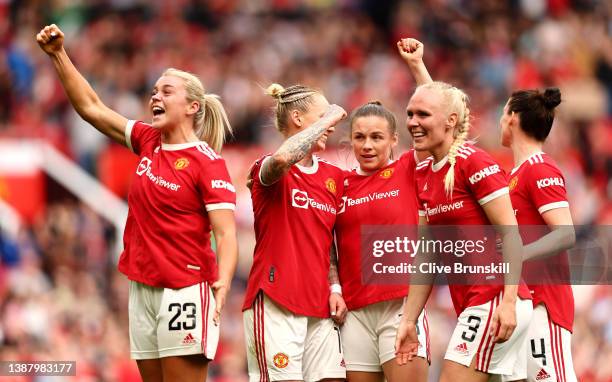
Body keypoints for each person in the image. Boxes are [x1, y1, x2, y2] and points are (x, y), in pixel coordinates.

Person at [36, 24, 238, 382]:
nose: (155, 97)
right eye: (154, 91)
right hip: (141, 289)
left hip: (185, 292)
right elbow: (91, 108)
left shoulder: (207, 162)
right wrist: (58, 55)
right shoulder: (148, 140)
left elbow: (225, 233)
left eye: (166, 91)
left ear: (192, 106)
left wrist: (222, 282)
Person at [393, 78, 534, 380]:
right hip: (474, 303)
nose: (413, 122)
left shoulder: (474, 162)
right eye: (410, 114)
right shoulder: (423, 173)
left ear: (451, 121)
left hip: (495, 300)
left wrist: (508, 302)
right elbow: (426, 254)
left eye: (423, 115)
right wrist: (409, 319)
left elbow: (511, 234)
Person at [331, 39, 433, 382]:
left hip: (400, 307)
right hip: (355, 313)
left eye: (377, 137)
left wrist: (417, 66)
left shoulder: (408, 169)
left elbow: (435, 118)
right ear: (349, 141)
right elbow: (327, 248)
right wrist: (334, 289)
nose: (368, 145)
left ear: (394, 141)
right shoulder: (339, 185)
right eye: (359, 138)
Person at [242, 83, 348, 382]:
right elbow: (281, 159)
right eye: (322, 115)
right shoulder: (266, 169)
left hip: (319, 303)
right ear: (299, 119)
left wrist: (335, 287)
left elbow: (328, 240)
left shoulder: (334, 177)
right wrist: (330, 119)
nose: (330, 125)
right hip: (277, 300)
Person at [500, 88, 577, 382]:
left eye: (502, 112)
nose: (499, 120)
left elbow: (565, 234)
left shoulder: (539, 168)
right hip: (522, 302)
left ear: (513, 118)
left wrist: (519, 253)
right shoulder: (513, 175)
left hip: (544, 301)